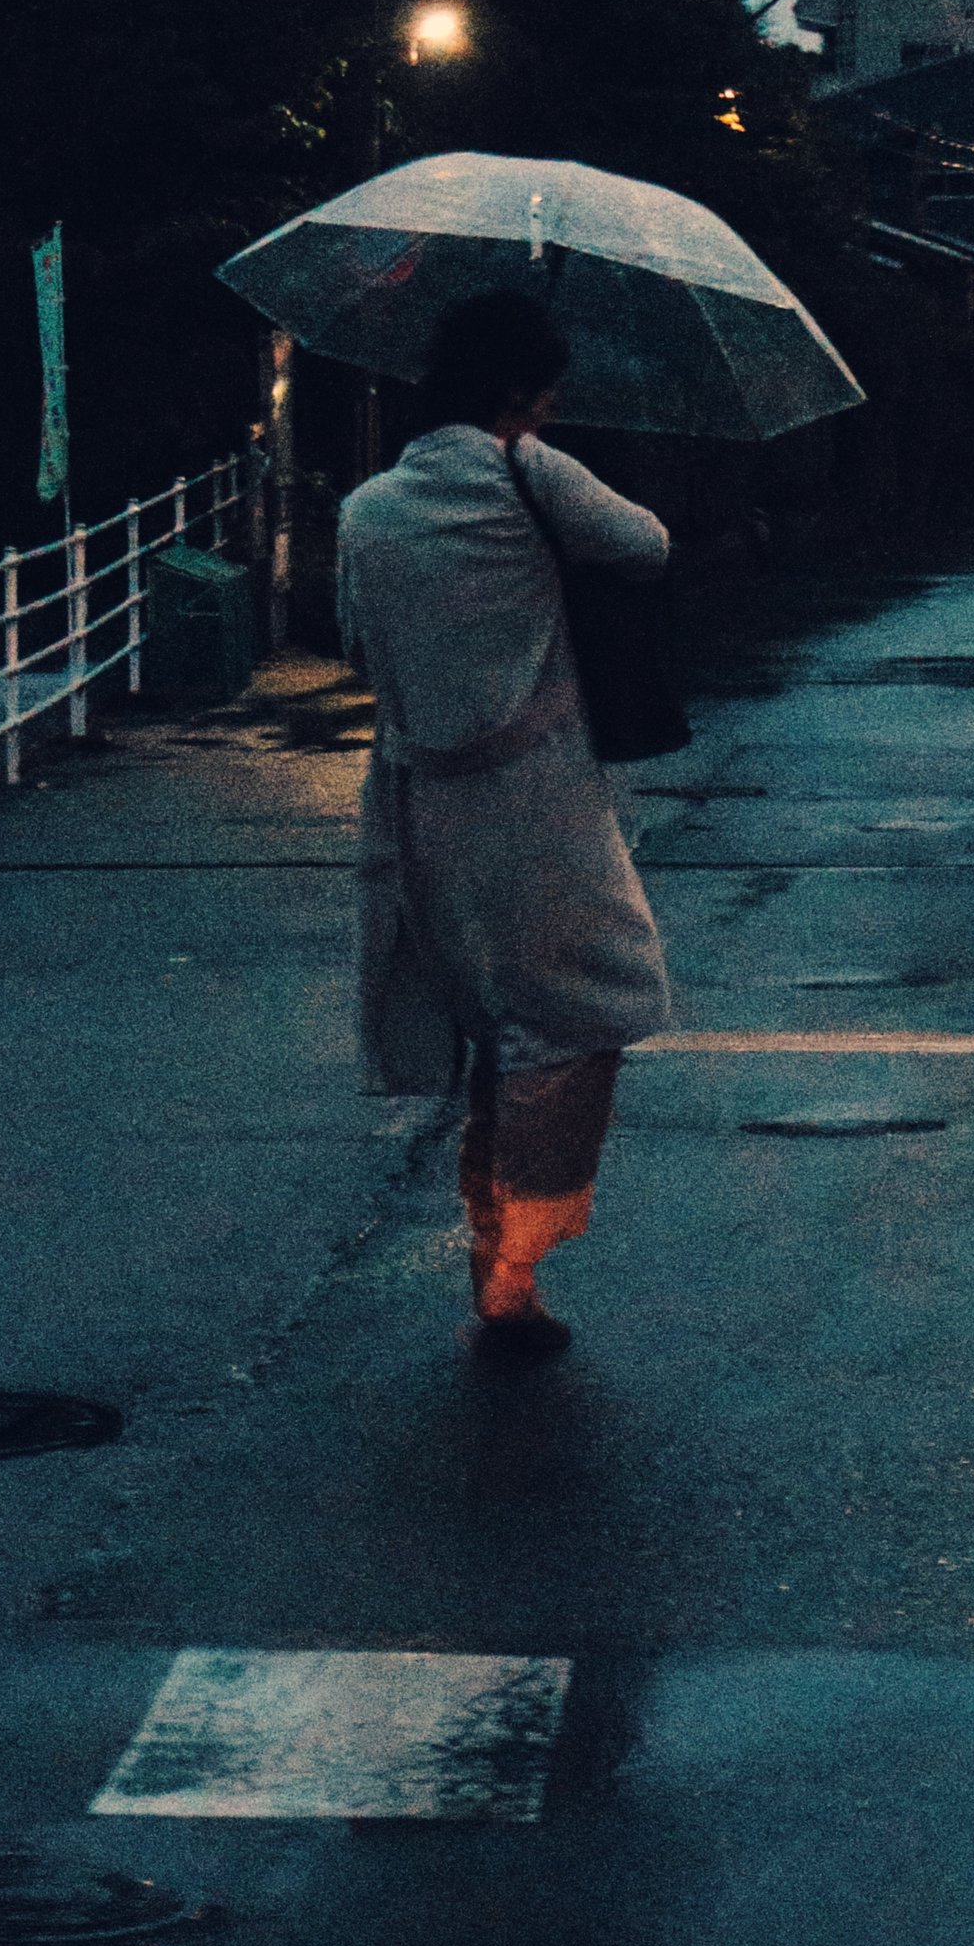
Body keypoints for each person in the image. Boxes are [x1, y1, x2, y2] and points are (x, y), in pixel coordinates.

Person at [336, 287, 673, 1357]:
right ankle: (512, 1264)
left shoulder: (366, 510)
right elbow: (648, 545)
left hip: (418, 805)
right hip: (535, 802)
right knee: (581, 1009)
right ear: (518, 389)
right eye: (545, 390)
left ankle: (498, 1253)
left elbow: (354, 645)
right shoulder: (527, 472)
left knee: (490, 1021)